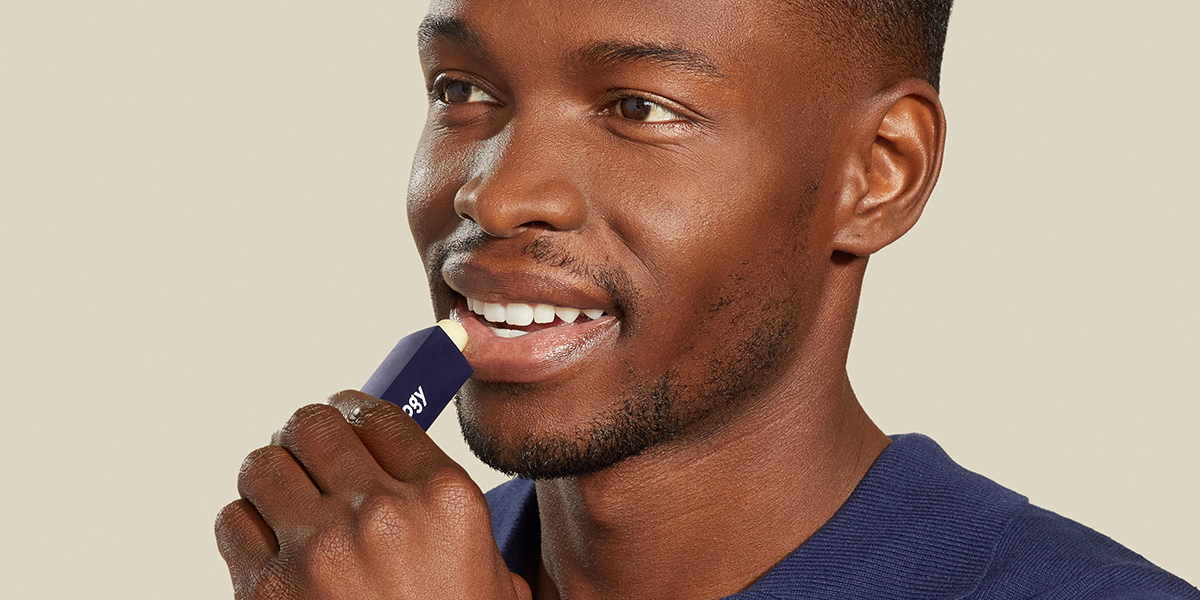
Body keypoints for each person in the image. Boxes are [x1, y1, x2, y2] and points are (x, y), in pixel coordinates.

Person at [214, 0, 1200, 598]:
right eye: (461, 89)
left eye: (638, 108)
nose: (495, 192)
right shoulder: (345, 579)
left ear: (879, 172)